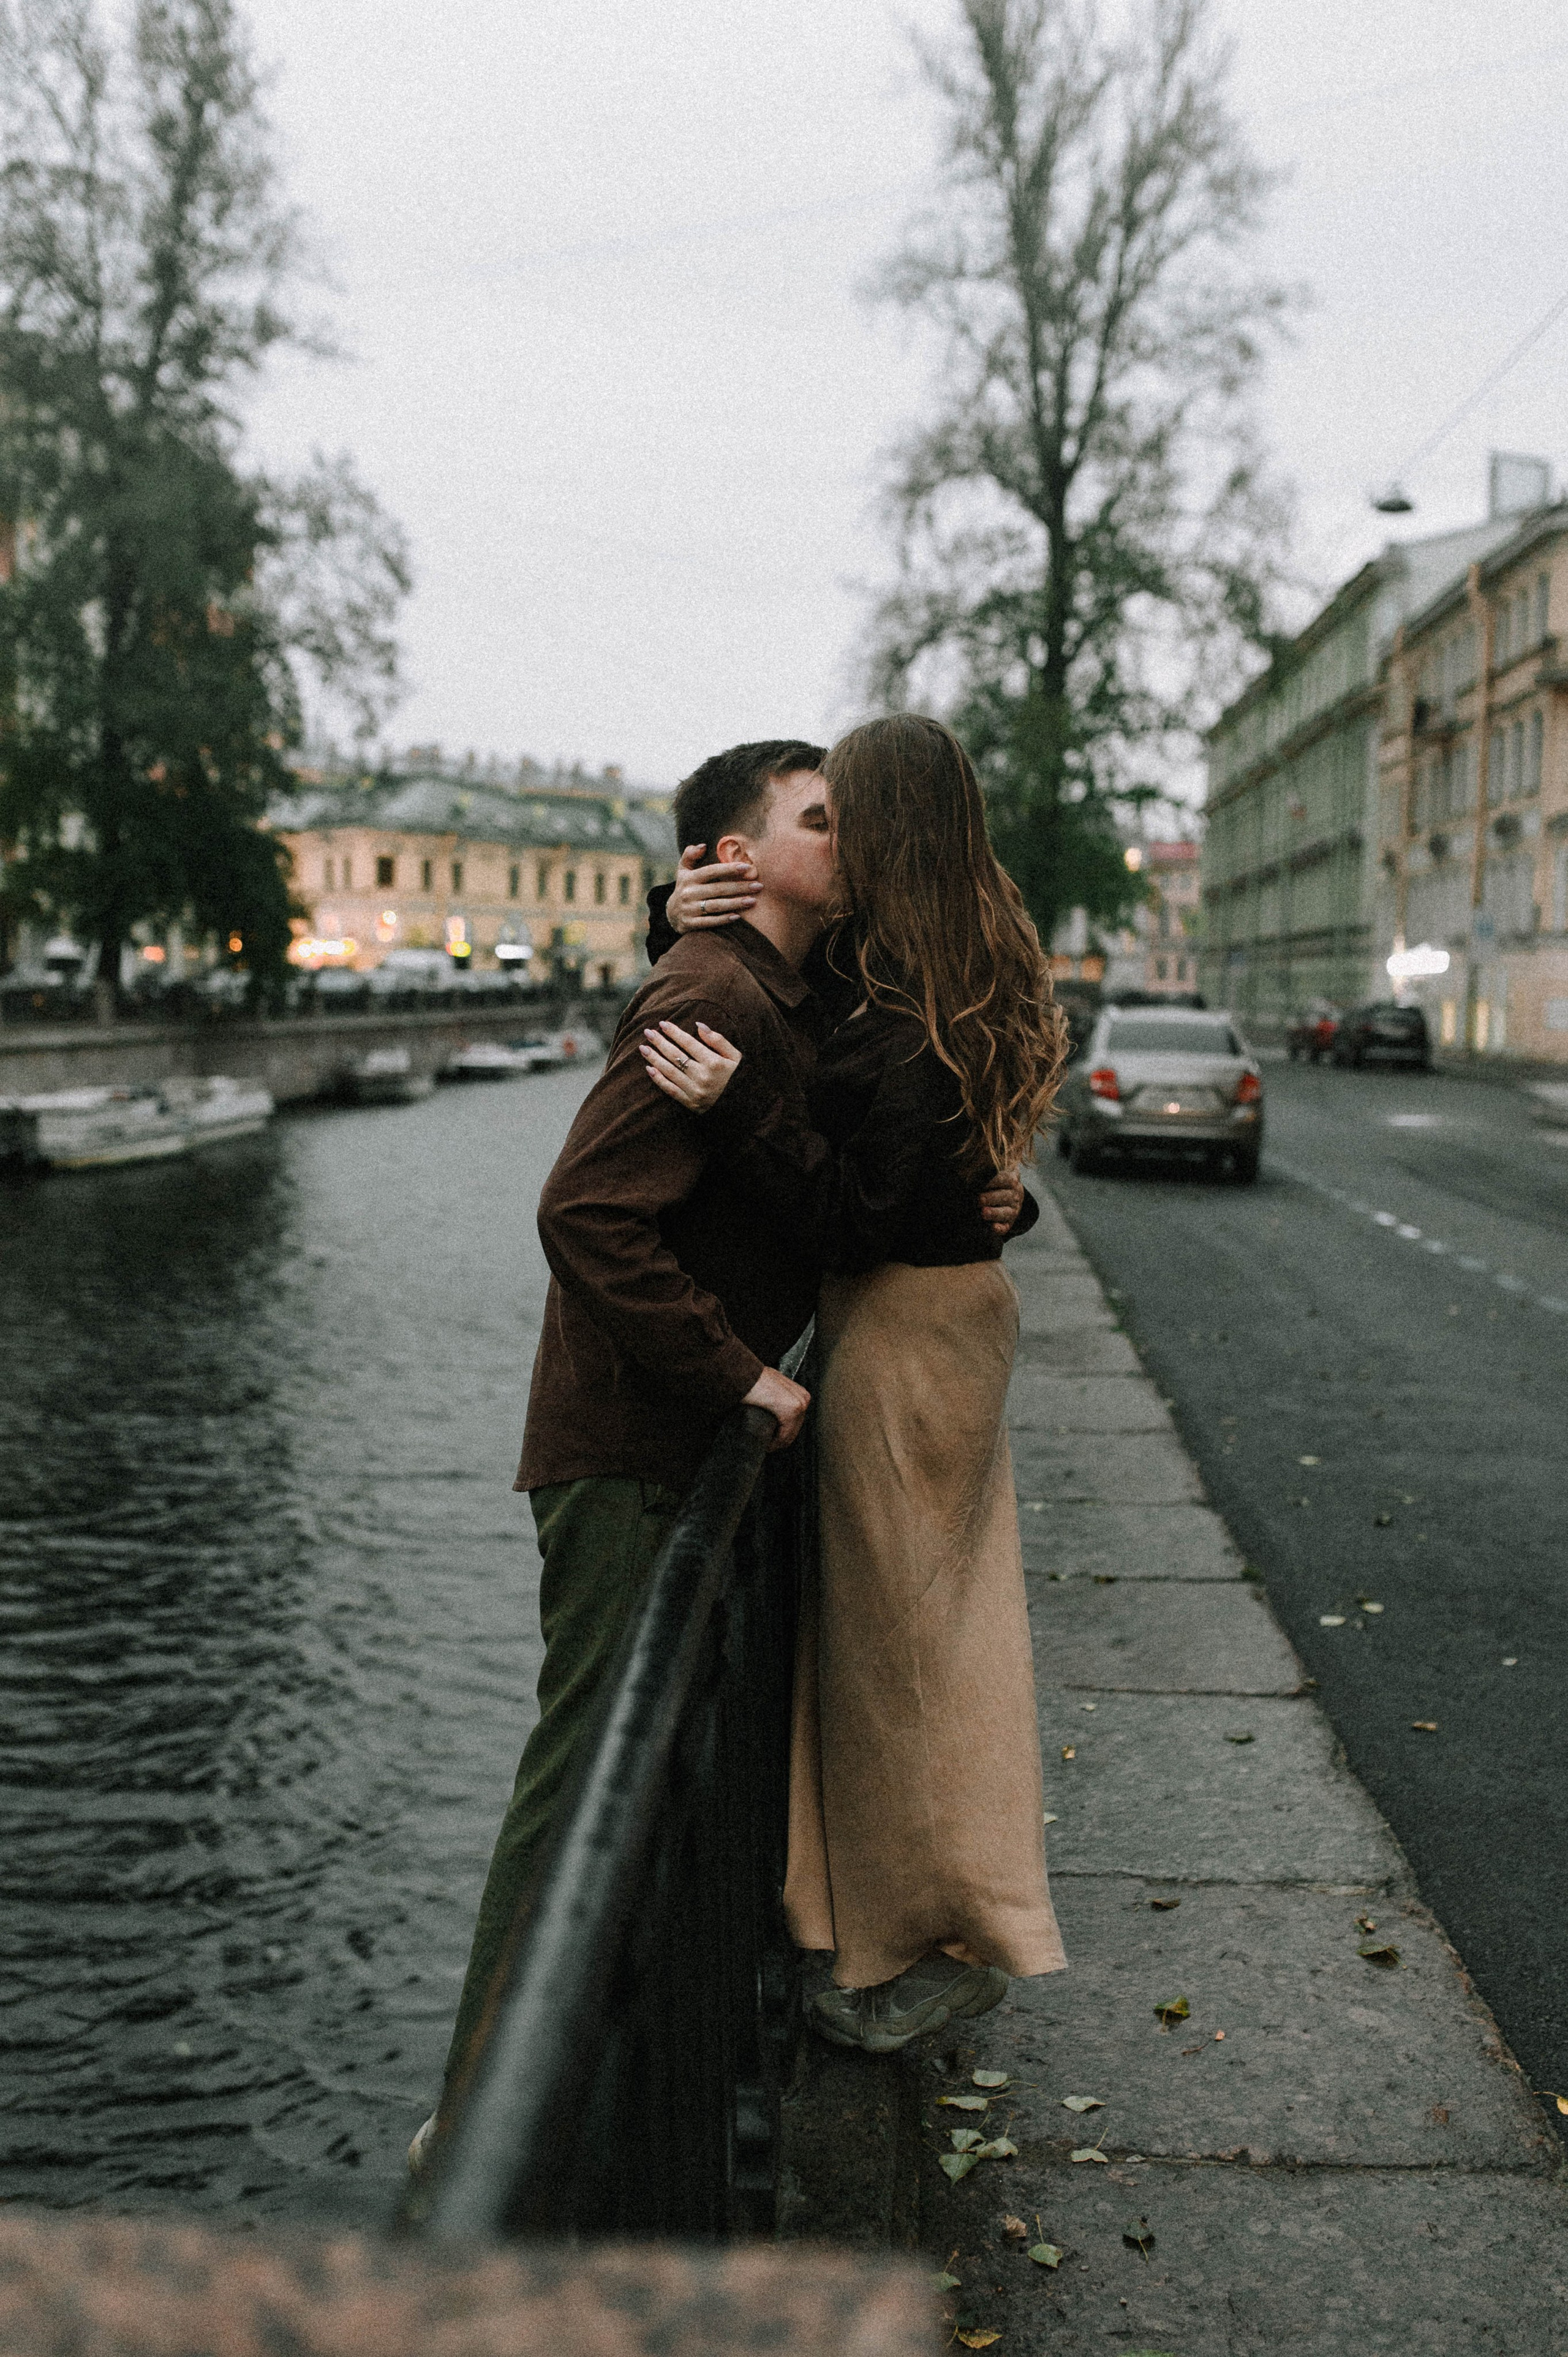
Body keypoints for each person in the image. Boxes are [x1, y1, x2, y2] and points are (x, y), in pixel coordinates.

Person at [415, 736, 1020, 2166]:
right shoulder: (710, 993)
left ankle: (575, 2096)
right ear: (736, 858)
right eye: (822, 820)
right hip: (631, 1444)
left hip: (680, 1439)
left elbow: (879, 1151)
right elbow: (581, 1213)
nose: (852, 840)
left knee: (638, 1774)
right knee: (585, 1776)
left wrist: (974, 1201)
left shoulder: (792, 985)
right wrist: (735, 1370)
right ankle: (480, 2126)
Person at [639, 713, 1068, 2054]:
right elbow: (939, 1167)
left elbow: (854, 1215)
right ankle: (880, 1926)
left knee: (904, 1656)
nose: (834, 837)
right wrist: (673, 919)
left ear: (889, 828)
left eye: (847, 814)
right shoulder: (951, 963)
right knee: (928, 1635)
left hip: (903, 1335)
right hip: (944, 1323)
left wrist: (738, 1111)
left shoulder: (901, 1015)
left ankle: (935, 1944)